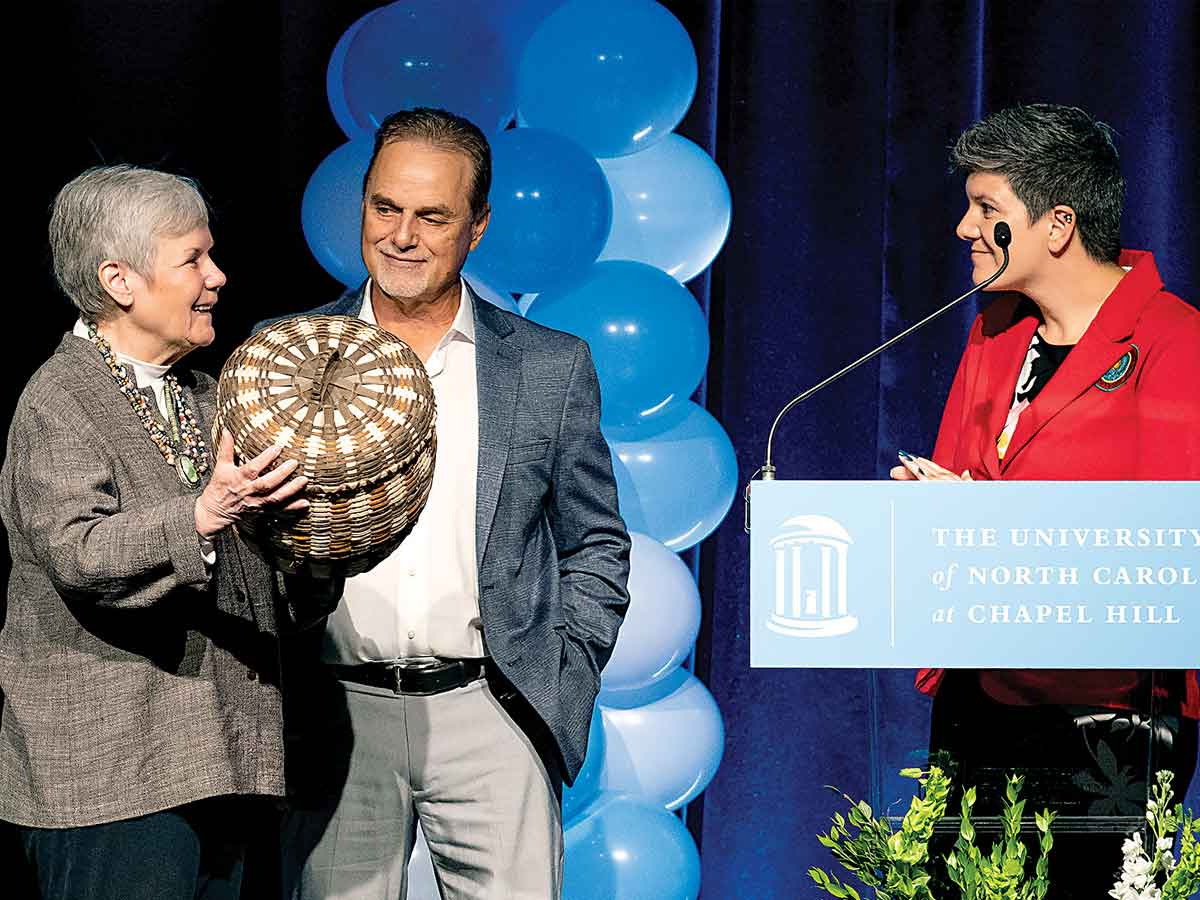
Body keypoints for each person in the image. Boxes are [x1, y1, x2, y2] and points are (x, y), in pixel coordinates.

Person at [272, 107, 631, 900]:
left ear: (477, 228)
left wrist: (561, 675)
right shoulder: (284, 354)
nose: (401, 235)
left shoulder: (546, 367)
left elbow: (597, 543)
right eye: (384, 208)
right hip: (337, 715)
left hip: (492, 709)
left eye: (432, 216)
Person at [0, 165, 343, 900]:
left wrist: (316, 546)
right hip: (116, 783)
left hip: (228, 764)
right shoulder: (59, 399)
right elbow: (79, 553)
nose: (217, 276)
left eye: (210, 255)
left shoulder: (208, 395)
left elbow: (264, 590)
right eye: (193, 259)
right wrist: (202, 514)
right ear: (119, 281)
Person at [891, 104, 1199, 895]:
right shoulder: (994, 334)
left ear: (1057, 224)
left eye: (987, 210)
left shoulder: (1173, 342)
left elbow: (1171, 543)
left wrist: (987, 520)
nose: (964, 227)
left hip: (1106, 717)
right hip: (981, 700)